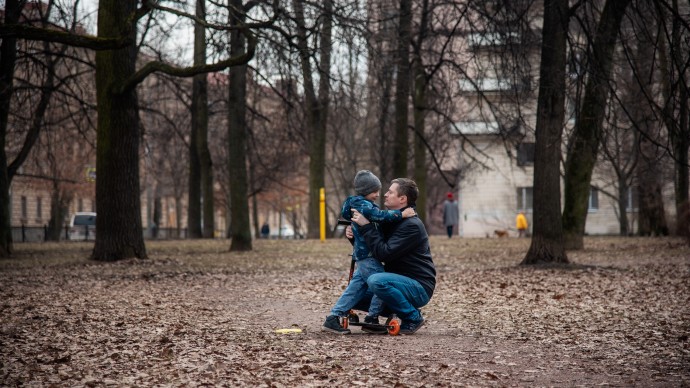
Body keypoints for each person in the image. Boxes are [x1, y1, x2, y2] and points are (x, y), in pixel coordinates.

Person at [322, 170, 416, 334]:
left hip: (363, 256)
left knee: (356, 287)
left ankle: (334, 316)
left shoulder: (354, 204)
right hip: (368, 256)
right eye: (375, 191)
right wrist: (402, 214)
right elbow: (380, 216)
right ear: (366, 191)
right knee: (380, 283)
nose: (378, 194)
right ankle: (372, 318)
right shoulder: (364, 206)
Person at [350, 178, 436, 335]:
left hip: (419, 286)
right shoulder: (393, 220)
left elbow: (384, 253)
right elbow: (373, 247)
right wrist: (354, 236)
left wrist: (366, 227)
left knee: (376, 281)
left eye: (390, 192)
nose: (385, 195)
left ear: (402, 199)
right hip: (395, 281)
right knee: (354, 295)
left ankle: (412, 317)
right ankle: (397, 309)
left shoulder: (411, 226)